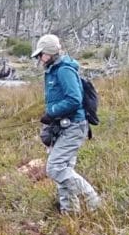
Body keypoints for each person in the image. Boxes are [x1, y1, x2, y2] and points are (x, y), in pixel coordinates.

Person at [32, 34, 101, 213]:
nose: (40, 58)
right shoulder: (53, 70)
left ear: (51, 53)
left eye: (42, 55)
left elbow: (74, 99)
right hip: (62, 126)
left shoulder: (64, 70)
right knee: (63, 170)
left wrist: (52, 112)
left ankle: (93, 199)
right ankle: (70, 213)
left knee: (55, 168)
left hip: (74, 126)